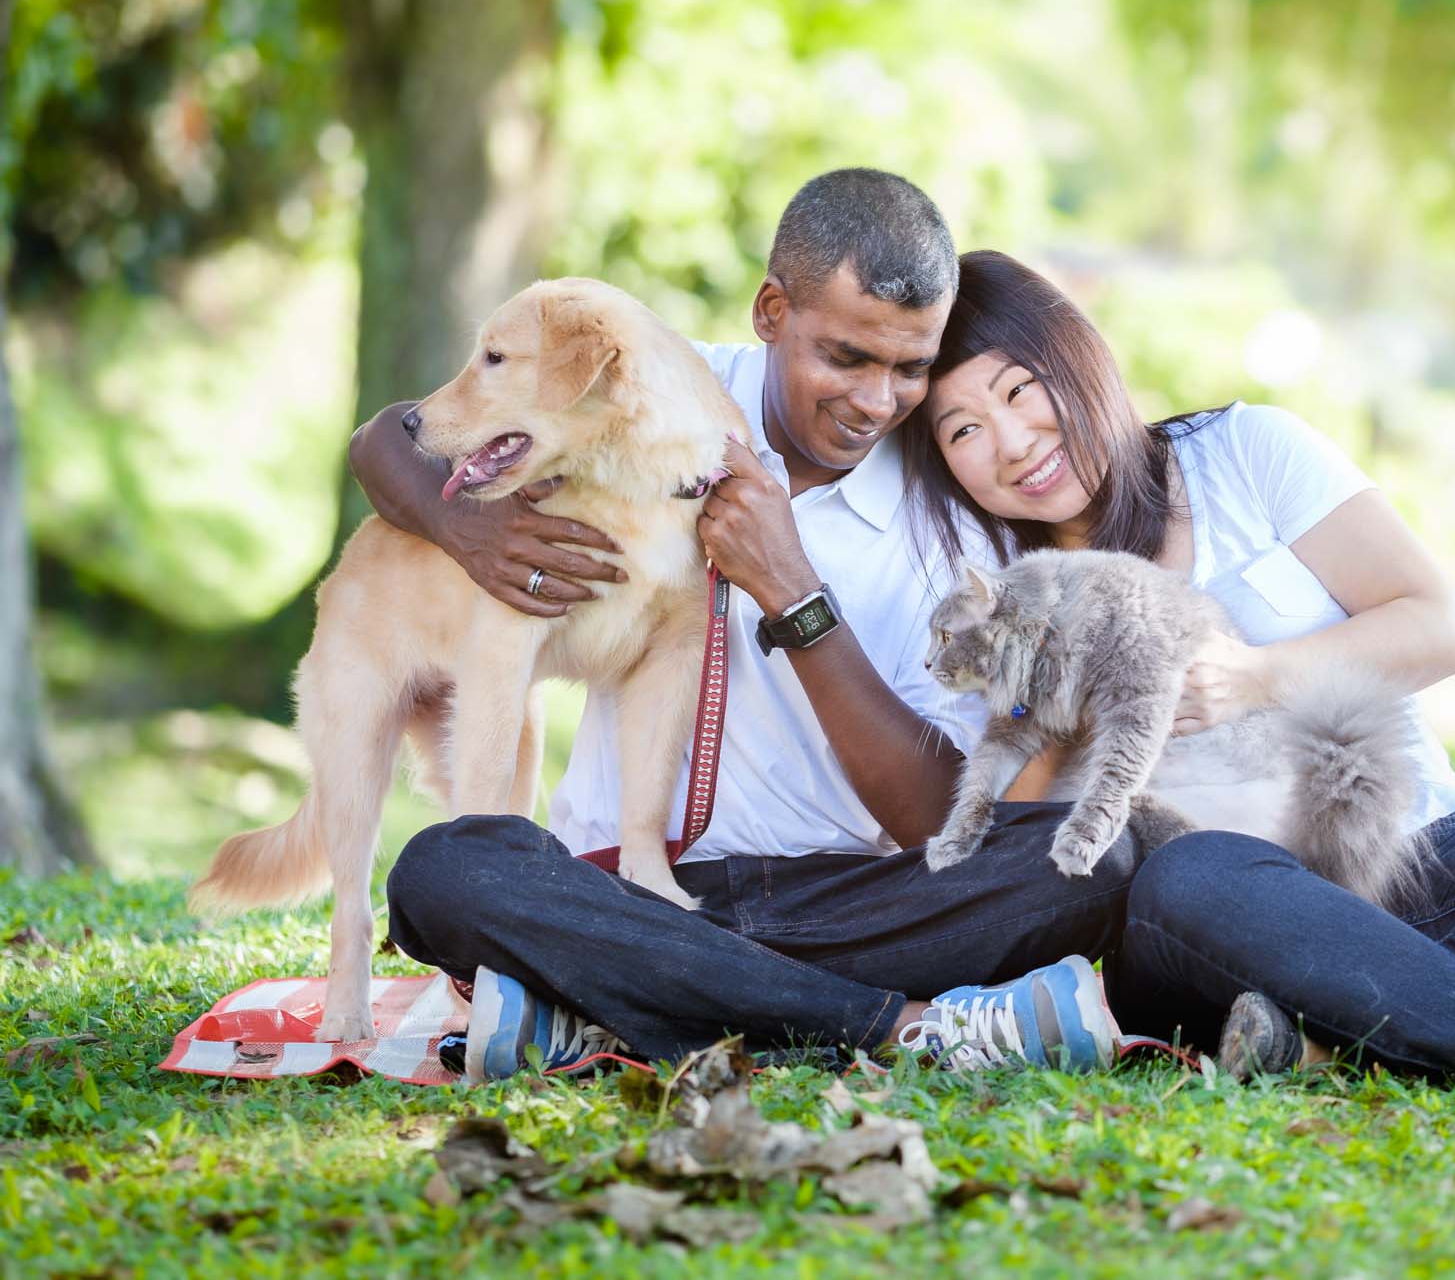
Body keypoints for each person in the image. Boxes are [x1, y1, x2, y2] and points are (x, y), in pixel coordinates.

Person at [903, 249, 1455, 1092]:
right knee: (1189, 874)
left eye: (1018, 390)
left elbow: (1438, 626)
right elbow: (1022, 858)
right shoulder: (990, 589)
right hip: (1227, 919)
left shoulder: (1243, 452)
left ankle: (1333, 1041)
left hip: (1415, 855)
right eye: (965, 429)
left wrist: (1254, 675)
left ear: (1076, 357)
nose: (1013, 443)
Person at [349, 171, 1128, 1083]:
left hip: (846, 907)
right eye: (845, 357)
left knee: (1095, 853)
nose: (877, 401)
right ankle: (902, 1026)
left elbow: (936, 820)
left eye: (910, 368)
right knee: (446, 870)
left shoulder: (952, 528)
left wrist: (795, 595)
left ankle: (606, 1009)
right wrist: (474, 532)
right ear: (770, 311)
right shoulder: (650, 383)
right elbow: (383, 440)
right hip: (614, 889)